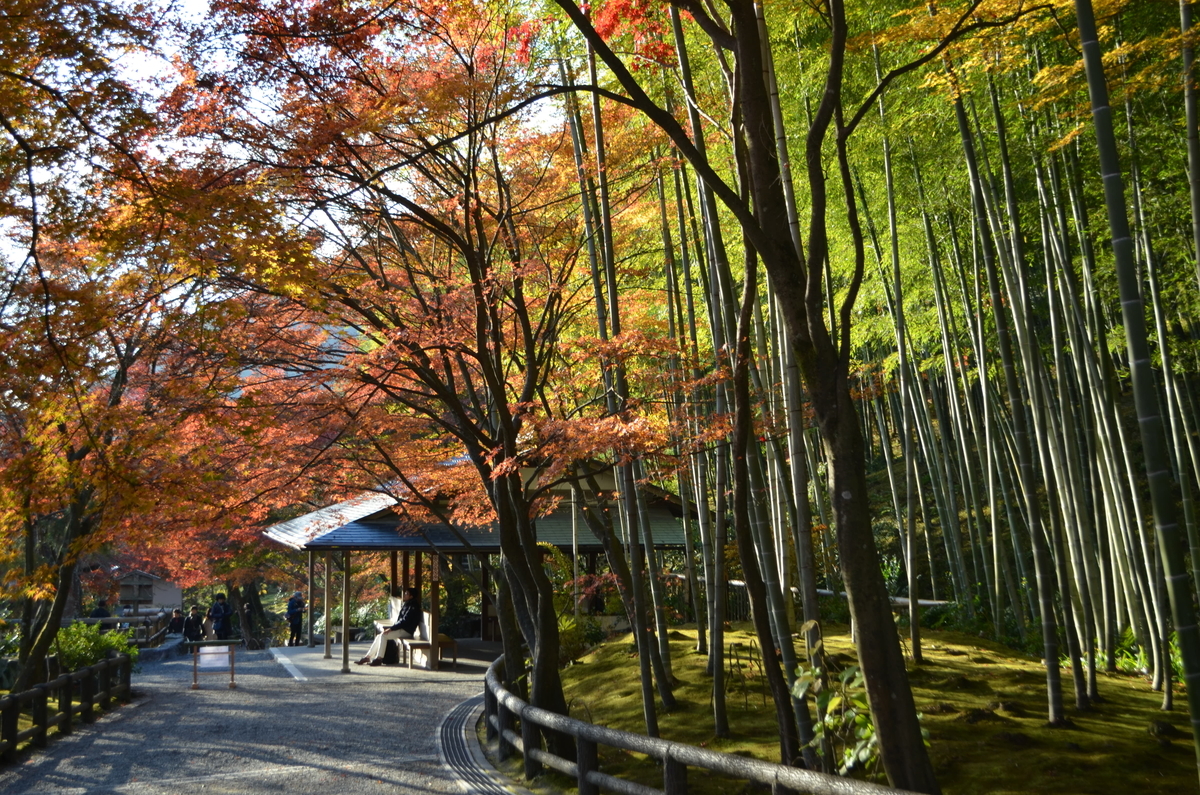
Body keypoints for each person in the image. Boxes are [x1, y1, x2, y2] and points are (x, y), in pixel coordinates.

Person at [356, 588, 421, 666]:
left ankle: (379, 659)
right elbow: (401, 621)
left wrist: (391, 629)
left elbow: (404, 621)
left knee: (384, 635)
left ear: (411, 596)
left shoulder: (413, 606)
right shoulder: (408, 604)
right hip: (402, 629)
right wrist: (392, 628)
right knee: (379, 635)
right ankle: (367, 657)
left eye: (406, 594)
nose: (404, 595)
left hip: (406, 631)